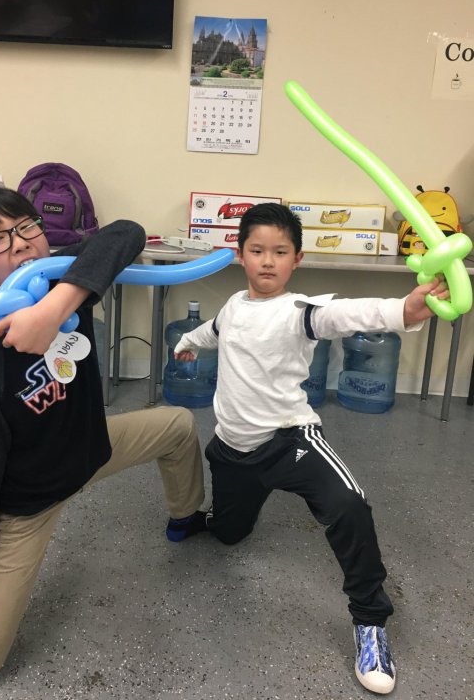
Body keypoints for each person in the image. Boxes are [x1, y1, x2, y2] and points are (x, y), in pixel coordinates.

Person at [0, 187, 206, 685]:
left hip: (92, 450)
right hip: (28, 504)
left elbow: (127, 233)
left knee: (177, 425)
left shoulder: (68, 281)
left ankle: (188, 518)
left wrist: (54, 310)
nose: (21, 242)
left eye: (27, 226)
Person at [174, 202, 449, 696]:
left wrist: (403, 311)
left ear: (297, 260)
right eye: (257, 250)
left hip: (288, 441)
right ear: (240, 254)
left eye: (280, 252)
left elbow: (344, 314)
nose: (267, 261)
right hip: (232, 447)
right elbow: (212, 331)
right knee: (230, 535)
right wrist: (187, 344)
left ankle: (370, 622)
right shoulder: (233, 307)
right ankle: (213, 519)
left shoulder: (299, 312)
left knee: (349, 504)